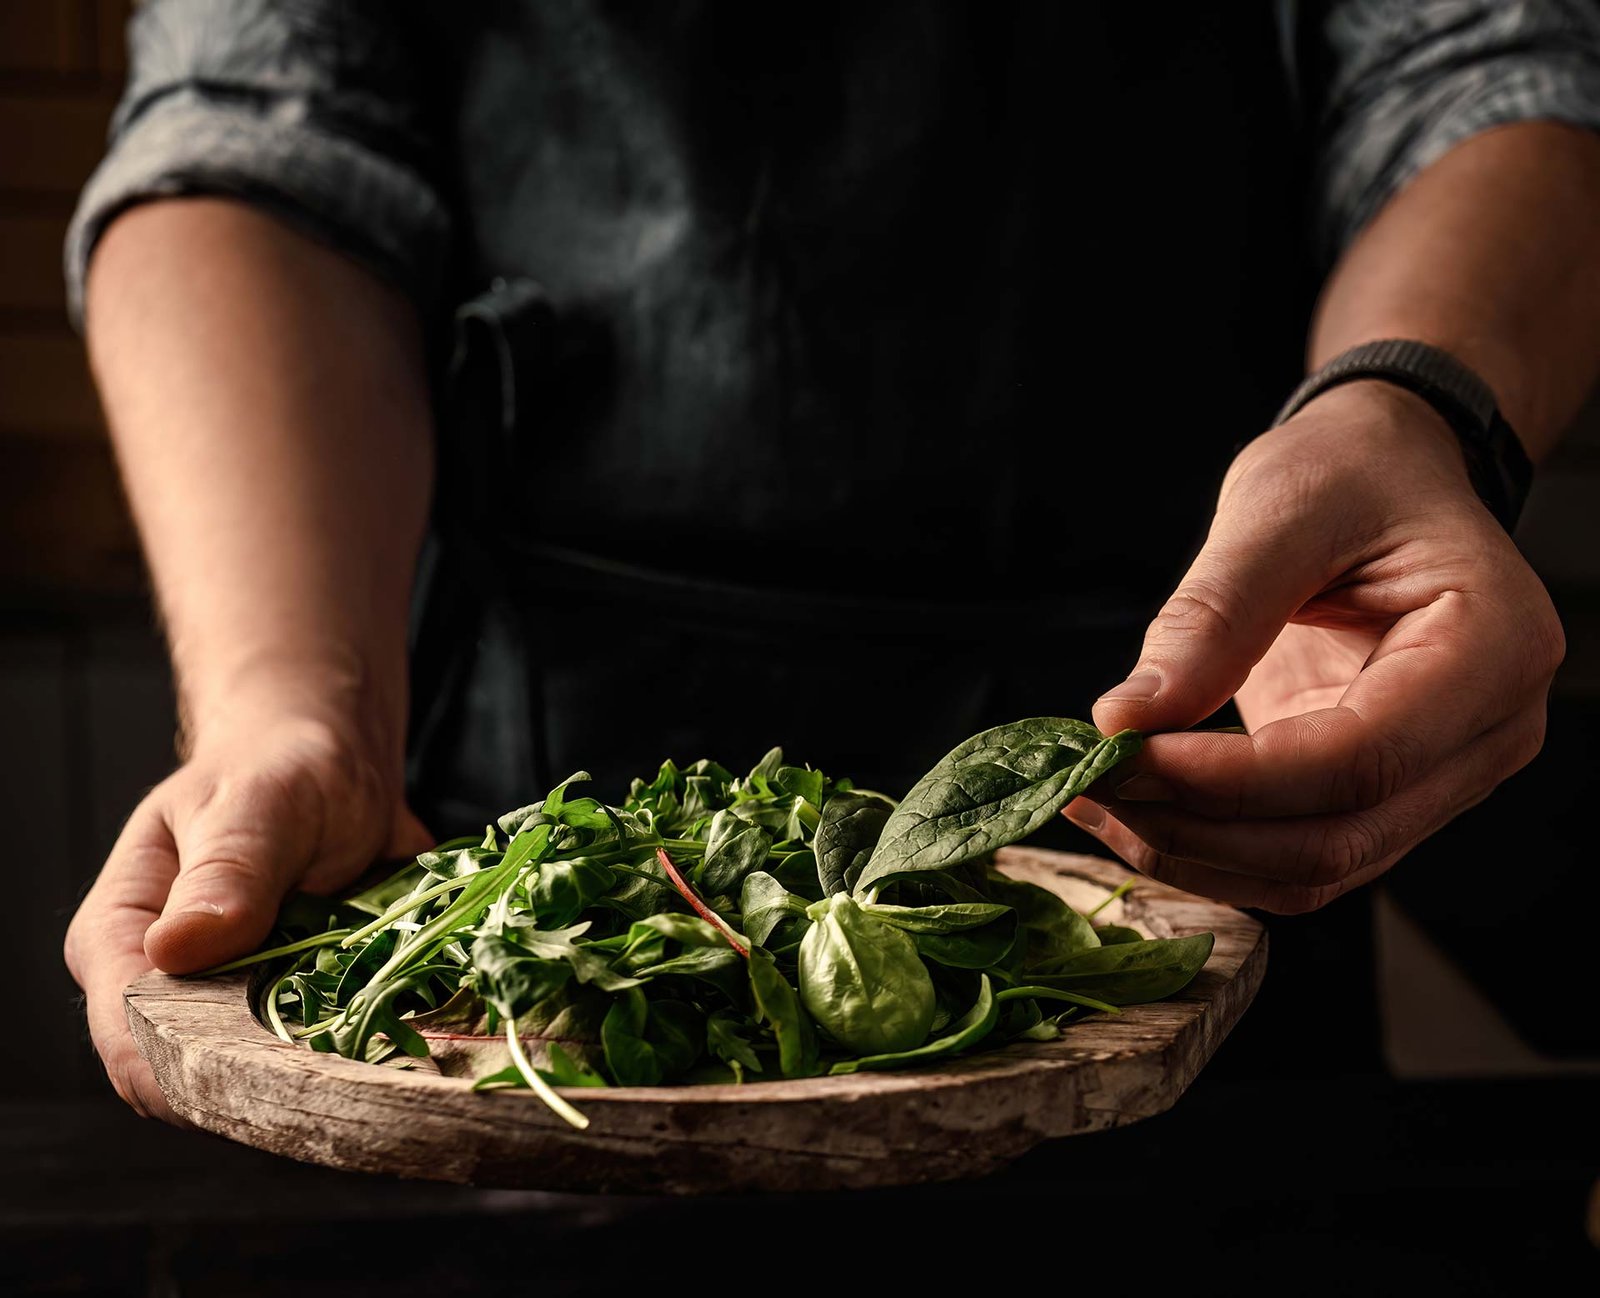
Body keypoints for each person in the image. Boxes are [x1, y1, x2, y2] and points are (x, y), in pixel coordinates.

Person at [61, 1, 1600, 1123]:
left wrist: (1419, 401)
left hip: (1196, 737)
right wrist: (292, 707)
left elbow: (1486, 62)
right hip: (536, 840)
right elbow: (259, 137)